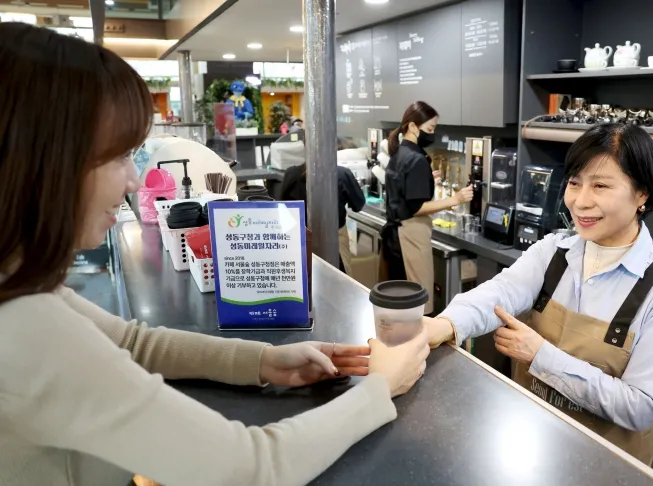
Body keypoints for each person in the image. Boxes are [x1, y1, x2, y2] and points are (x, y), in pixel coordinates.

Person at [0, 22, 430, 486]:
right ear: (48, 164)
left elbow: (131, 344)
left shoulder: (21, 287)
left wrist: (263, 361)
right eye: (118, 158)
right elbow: (249, 467)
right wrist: (380, 389)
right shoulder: (26, 329)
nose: (133, 182)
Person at [426, 123, 653, 465]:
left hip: (605, 470)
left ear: (642, 194)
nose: (580, 201)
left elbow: (640, 407)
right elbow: (501, 291)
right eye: (574, 183)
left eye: (600, 185)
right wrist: (443, 325)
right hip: (532, 451)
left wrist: (540, 354)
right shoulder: (554, 251)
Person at [380, 101, 473, 315]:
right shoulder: (417, 159)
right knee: (417, 302)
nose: (432, 134)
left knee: (400, 296)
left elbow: (403, 188)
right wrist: (455, 199)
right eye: (430, 129)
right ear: (413, 127)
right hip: (410, 233)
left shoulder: (400, 153)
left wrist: (425, 179)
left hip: (396, 233)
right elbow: (416, 207)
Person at [279, 141, 366, 275]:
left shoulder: (292, 173)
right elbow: (358, 205)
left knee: (305, 281)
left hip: (299, 241)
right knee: (339, 281)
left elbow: (282, 209)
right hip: (335, 240)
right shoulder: (342, 174)